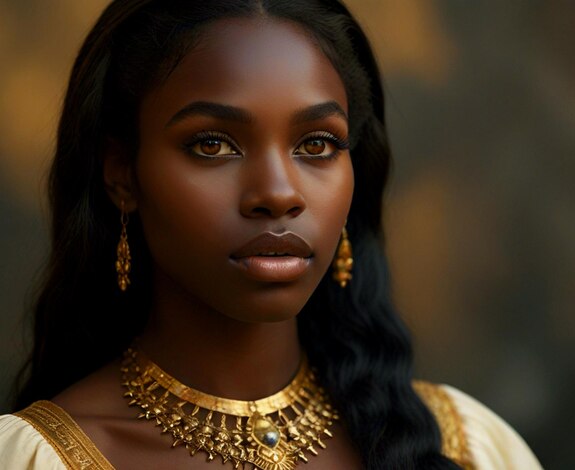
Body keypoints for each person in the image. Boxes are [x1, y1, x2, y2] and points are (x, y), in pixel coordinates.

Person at [0, 1, 542, 468]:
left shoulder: (464, 447)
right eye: (212, 144)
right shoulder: (36, 456)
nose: (279, 193)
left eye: (317, 145)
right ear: (122, 174)